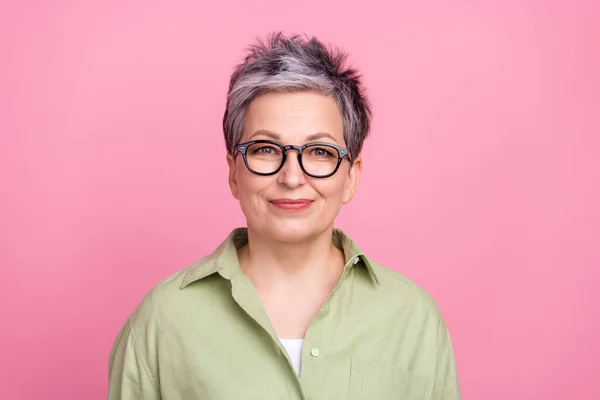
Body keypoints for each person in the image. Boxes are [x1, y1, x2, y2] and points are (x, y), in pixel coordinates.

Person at [107, 32, 461, 400]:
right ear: (233, 173)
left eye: (320, 152)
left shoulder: (413, 317)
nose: (292, 177)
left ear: (351, 176)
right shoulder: (162, 320)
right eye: (265, 149)